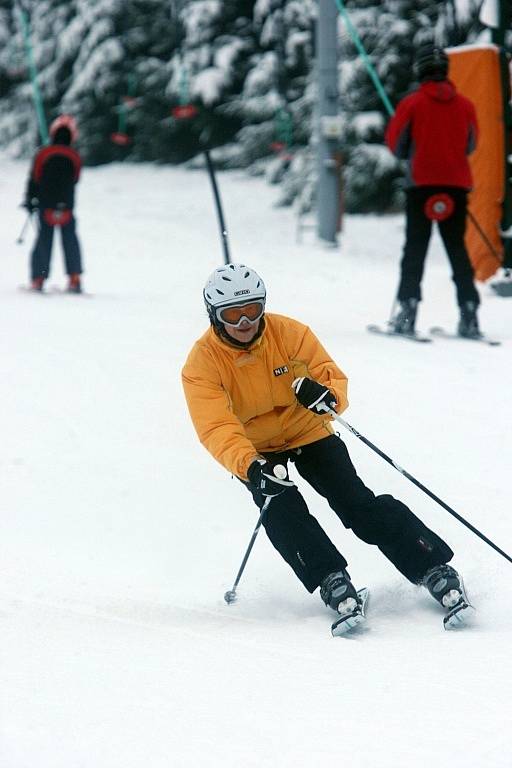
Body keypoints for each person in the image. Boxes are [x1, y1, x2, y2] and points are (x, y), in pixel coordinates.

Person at [182, 263, 465, 626]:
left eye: (252, 310)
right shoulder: (202, 362)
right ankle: (330, 578)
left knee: (355, 503)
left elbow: (331, 377)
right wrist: (250, 468)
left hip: (307, 430)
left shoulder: (290, 333)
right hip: (258, 450)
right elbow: (216, 426)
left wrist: (326, 397)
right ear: (214, 315)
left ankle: (433, 566)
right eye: (233, 315)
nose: (244, 323)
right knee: (283, 511)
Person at [385, 43, 481, 338]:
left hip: (421, 186)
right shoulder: (466, 105)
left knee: (415, 249)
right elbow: (471, 143)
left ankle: (408, 310)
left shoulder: (411, 104)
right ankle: (469, 313)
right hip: (456, 187)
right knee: (457, 250)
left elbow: (395, 144)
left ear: (420, 71)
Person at [23, 114, 84, 293]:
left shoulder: (43, 154)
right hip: (66, 205)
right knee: (70, 241)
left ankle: (39, 278)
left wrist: (30, 200)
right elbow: (76, 179)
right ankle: (74, 278)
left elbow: (34, 179)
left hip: (46, 204)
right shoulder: (74, 156)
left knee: (44, 240)